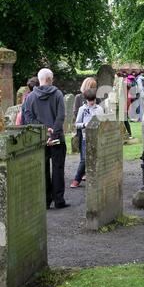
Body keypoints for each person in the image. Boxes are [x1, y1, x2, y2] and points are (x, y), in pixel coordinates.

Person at [25, 68, 69, 209]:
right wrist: (53, 133)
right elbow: (61, 116)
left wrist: (44, 131)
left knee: (43, 170)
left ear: (39, 79)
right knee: (58, 169)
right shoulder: (57, 94)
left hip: (40, 139)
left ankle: (45, 201)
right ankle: (59, 200)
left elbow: (28, 118)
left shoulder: (31, 97)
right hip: (57, 138)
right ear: (51, 79)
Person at [70, 88, 103, 188]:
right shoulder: (82, 109)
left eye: (93, 100)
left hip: (97, 137)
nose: (91, 102)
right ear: (86, 99)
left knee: (97, 158)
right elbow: (77, 124)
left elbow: (103, 122)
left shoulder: (99, 109)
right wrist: (85, 124)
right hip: (85, 137)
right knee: (84, 159)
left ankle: (95, 179)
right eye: (89, 100)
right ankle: (76, 180)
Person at [73, 77, 98, 180]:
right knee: (84, 153)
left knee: (93, 151)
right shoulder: (79, 97)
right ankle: (82, 173)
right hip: (82, 129)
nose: (95, 89)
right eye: (93, 87)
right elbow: (75, 112)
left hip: (94, 129)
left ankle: (89, 172)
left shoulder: (97, 98)